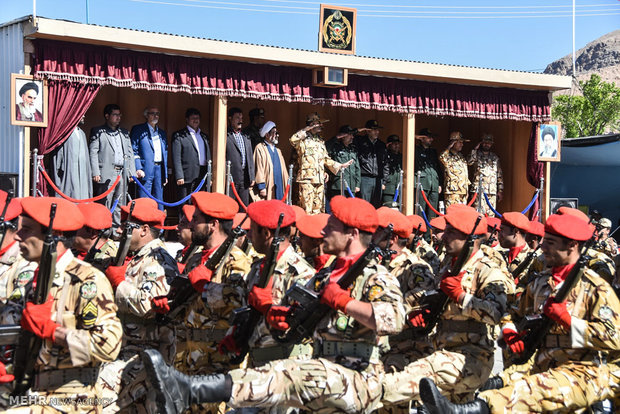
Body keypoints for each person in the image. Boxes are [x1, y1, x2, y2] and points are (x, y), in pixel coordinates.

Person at [140, 195, 405, 414]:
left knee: (287, 374)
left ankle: (192, 389)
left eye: (332, 225)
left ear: (352, 234)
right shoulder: (324, 276)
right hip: (316, 381)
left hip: (352, 377)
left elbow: (394, 319)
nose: (323, 230)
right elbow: (294, 317)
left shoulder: (376, 276)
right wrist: (274, 315)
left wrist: (345, 302)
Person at [420, 213, 620, 414]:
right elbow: (511, 313)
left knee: (521, 393)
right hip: (540, 365)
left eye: (550, 243)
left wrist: (569, 321)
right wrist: (510, 331)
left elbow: (615, 338)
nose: (543, 247)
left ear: (572, 245)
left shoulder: (596, 288)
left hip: (580, 371)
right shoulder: (541, 283)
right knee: (501, 384)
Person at [381, 205, 514, 407]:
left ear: (469, 238)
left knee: (404, 381)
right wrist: (422, 313)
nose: (444, 237)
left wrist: (462, 297)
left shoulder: (486, 270)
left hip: (471, 357)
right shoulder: (447, 266)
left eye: (451, 232)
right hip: (441, 348)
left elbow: (497, 312)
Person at [4, 197, 122, 412]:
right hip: (32, 392)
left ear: (53, 236)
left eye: (27, 229)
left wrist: (54, 331)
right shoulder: (30, 280)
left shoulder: (86, 280)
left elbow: (109, 346)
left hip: (73, 398)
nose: (18, 235)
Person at [98, 198, 179, 411]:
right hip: (128, 348)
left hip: (146, 352)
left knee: (98, 400)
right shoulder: (136, 258)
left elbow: (149, 305)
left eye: (127, 226)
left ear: (143, 230)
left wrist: (119, 283)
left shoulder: (157, 261)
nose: (121, 230)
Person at [290, 113, 353, 214]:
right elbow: (293, 140)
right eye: (318, 124)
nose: (321, 126)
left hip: (319, 180)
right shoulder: (303, 140)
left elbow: (325, 159)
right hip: (307, 180)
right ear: (311, 125)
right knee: (307, 209)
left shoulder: (320, 141)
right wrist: (305, 129)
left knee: (318, 210)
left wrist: (339, 165)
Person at [89, 104, 137, 230]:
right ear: (107, 116)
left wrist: (132, 172)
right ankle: (102, 231)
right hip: (105, 172)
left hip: (122, 172)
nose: (118, 118)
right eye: (115, 115)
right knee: (105, 203)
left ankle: (115, 231)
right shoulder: (98, 131)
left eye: (119, 115)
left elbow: (130, 153)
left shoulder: (124, 133)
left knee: (119, 203)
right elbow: (93, 152)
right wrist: (95, 172)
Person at [131, 106, 168, 210]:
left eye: (157, 114)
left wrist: (164, 174)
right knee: (144, 200)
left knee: (159, 200)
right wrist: (138, 168)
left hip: (158, 169)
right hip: (145, 169)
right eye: (152, 113)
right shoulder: (138, 130)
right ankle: (143, 224)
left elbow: (165, 153)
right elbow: (133, 150)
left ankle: (159, 226)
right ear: (146, 115)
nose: (156, 116)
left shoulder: (162, 133)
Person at [171, 108, 211, 200]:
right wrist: (179, 176)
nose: (195, 120)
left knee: (199, 203)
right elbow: (176, 157)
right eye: (193, 118)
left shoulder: (204, 136)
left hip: (202, 175)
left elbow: (208, 156)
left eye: (197, 118)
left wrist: (210, 176)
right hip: (186, 176)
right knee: (185, 204)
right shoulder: (179, 135)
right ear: (187, 120)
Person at [51, 116, 92, 200]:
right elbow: (59, 157)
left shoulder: (82, 133)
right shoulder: (65, 133)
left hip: (83, 174)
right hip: (70, 173)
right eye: (81, 114)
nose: (84, 116)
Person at [73, 202, 118, 271]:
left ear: (93, 233)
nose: (69, 230)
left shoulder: (107, 262)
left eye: (75, 227)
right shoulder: (75, 249)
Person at [497, 212, 533, 296]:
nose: (499, 235)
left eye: (502, 230)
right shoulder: (499, 256)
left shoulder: (534, 258)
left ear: (516, 231)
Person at [468, 133, 504, 216]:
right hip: (479, 190)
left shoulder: (495, 157)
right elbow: (469, 162)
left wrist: (500, 190)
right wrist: (474, 149)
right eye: (484, 142)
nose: (486, 144)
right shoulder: (476, 155)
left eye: (489, 143)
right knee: (478, 215)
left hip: (491, 191)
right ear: (481, 143)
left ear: (491, 144)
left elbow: (499, 175)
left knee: (491, 215)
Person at [252, 120, 289, 201]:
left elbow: (284, 171)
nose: (277, 135)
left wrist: (287, 184)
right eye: (274, 133)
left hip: (279, 184)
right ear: (267, 135)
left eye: (277, 133)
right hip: (268, 186)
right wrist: (262, 187)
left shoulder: (278, 151)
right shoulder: (260, 148)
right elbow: (259, 168)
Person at [226, 107, 255, 207]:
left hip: (245, 178)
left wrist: (252, 176)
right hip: (231, 178)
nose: (240, 120)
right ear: (230, 118)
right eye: (237, 118)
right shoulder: (225, 135)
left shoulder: (246, 136)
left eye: (241, 118)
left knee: (244, 207)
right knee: (230, 206)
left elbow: (250, 157)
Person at [354, 120, 387, 207]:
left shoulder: (381, 144)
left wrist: (384, 181)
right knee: (364, 205)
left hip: (378, 179)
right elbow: (350, 135)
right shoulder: (360, 142)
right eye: (374, 130)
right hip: (365, 178)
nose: (377, 132)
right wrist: (361, 129)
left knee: (376, 206)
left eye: (377, 130)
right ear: (368, 131)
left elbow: (386, 164)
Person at [325, 124, 361, 200]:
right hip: (338, 184)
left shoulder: (353, 149)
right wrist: (336, 137)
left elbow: (357, 168)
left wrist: (357, 184)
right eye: (349, 135)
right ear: (343, 136)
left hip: (352, 185)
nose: (352, 137)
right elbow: (324, 147)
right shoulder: (335, 147)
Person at [414, 128, 443, 219]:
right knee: (420, 211)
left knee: (433, 213)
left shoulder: (433, 151)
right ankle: (420, 232)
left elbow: (437, 168)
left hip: (434, 184)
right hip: (423, 184)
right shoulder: (416, 150)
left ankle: (430, 233)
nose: (431, 139)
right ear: (422, 139)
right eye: (428, 137)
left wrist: (440, 184)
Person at [440, 131, 470, 208]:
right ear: (453, 143)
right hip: (453, 192)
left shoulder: (461, 156)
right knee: (452, 215)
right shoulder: (448, 156)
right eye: (459, 142)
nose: (462, 145)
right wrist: (449, 147)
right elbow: (442, 157)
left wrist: (466, 189)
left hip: (463, 191)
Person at [382, 134, 402, 207]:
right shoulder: (385, 155)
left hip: (399, 189)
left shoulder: (401, 157)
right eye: (394, 144)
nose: (397, 146)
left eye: (398, 144)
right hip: (388, 188)